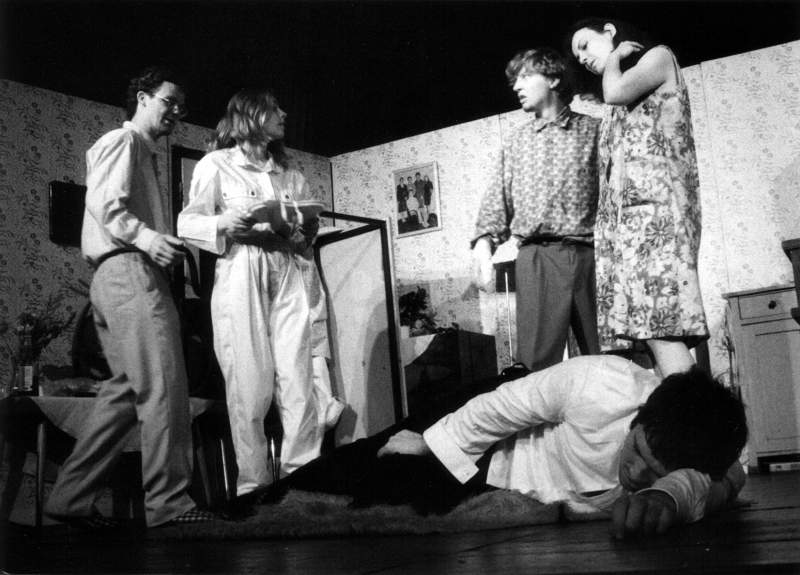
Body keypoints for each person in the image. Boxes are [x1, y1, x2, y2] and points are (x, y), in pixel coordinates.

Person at [271, 355, 748, 539]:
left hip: (511, 488)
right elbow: (501, 407)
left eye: (656, 473)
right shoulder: (600, 382)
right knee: (366, 462)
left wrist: (667, 495)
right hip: (487, 429)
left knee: (393, 498)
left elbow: (728, 478)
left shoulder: (699, 457)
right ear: (639, 415)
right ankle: (250, 502)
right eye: (638, 453)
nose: (637, 475)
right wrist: (431, 443)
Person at [46, 66, 214, 527]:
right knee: (164, 385)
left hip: (116, 276)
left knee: (123, 395)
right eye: (168, 101)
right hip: (129, 271)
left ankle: (69, 499)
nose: (175, 112)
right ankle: (169, 504)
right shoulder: (124, 141)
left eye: (181, 107)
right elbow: (104, 203)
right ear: (142, 97)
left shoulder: (140, 152)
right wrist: (147, 238)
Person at [177, 89, 326, 499]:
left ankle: (301, 482)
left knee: (298, 381)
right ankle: (254, 488)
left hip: (288, 268)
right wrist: (225, 223)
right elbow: (188, 223)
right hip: (242, 269)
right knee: (248, 384)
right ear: (251, 115)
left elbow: (304, 236)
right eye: (274, 108)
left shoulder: (289, 174)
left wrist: (307, 229)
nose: (284, 113)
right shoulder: (217, 165)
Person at [567, 19, 708, 376]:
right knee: (649, 332)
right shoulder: (618, 103)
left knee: (661, 328)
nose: (583, 58)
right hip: (632, 225)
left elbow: (615, 92)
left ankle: (692, 408)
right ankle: (678, 407)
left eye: (585, 45)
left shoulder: (658, 57)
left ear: (609, 30)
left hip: (657, 218)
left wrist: (613, 59)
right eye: (577, 56)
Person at [472, 47, 601, 371]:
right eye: (514, 80)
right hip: (537, 258)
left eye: (526, 76)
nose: (517, 86)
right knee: (536, 366)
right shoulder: (517, 141)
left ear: (553, 79)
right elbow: (497, 198)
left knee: (607, 358)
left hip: (593, 257)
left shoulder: (595, 131)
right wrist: (483, 246)